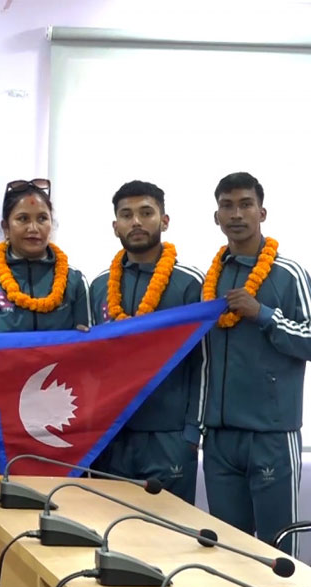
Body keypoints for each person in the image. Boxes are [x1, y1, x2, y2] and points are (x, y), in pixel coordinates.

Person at [202, 171, 311, 556]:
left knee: (279, 550)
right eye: (227, 206)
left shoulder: (289, 274)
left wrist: (264, 314)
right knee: (228, 552)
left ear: (262, 212)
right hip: (220, 438)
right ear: (217, 217)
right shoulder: (209, 279)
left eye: (245, 205)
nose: (236, 214)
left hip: (271, 435)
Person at [0, 178, 91, 473]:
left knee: (58, 493)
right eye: (22, 219)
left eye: (42, 218)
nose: (33, 228)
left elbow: (88, 354)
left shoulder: (74, 280)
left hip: (59, 412)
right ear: (6, 227)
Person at [88, 180, 206, 503]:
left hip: (169, 436)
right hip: (112, 435)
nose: (136, 222)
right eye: (126, 215)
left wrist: (192, 432)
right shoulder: (99, 286)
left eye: (146, 213)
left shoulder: (190, 283)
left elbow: (203, 362)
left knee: (168, 527)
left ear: (164, 221)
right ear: (115, 226)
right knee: (107, 523)